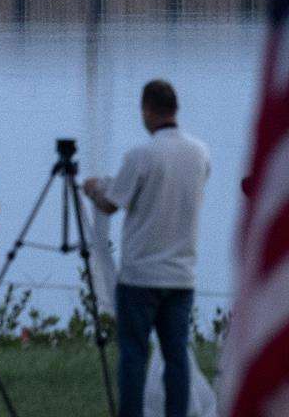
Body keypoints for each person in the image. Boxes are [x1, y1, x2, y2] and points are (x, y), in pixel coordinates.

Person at [85, 78, 212, 417]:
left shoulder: (141, 155)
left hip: (140, 276)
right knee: (176, 359)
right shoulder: (199, 153)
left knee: (133, 357)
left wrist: (93, 188)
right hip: (181, 275)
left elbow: (112, 203)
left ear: (147, 110)